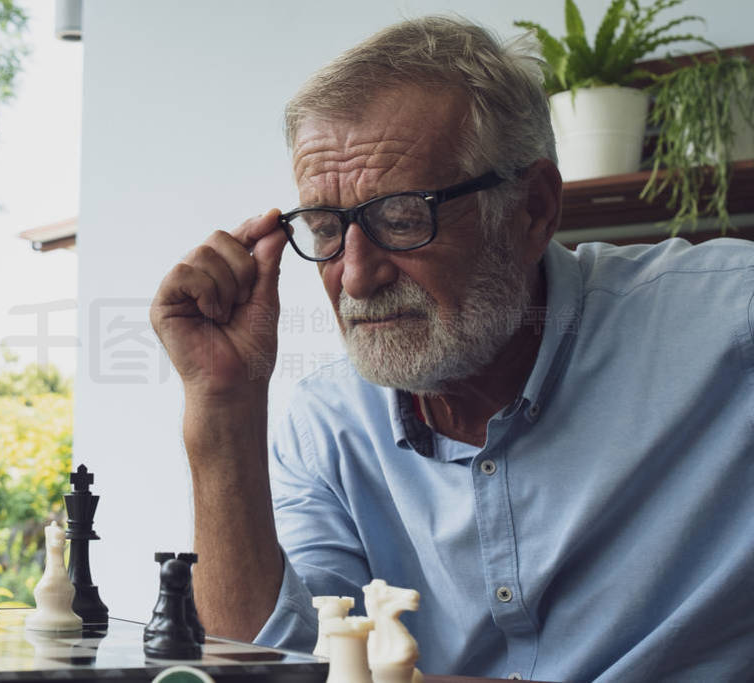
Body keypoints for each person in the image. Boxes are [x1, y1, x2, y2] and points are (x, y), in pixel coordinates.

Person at [149, 15, 754, 683]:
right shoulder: (328, 424)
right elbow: (272, 663)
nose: (355, 275)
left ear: (533, 210)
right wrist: (223, 402)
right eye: (325, 227)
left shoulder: (727, 325)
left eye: (403, 217)